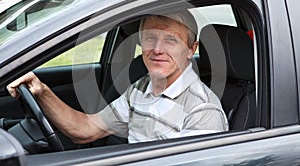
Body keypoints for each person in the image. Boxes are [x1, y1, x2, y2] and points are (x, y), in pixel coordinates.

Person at [7, 10, 228, 144]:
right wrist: (41, 91)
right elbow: (85, 130)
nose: (157, 49)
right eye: (150, 38)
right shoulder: (141, 87)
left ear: (191, 49)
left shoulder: (203, 110)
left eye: (170, 40)